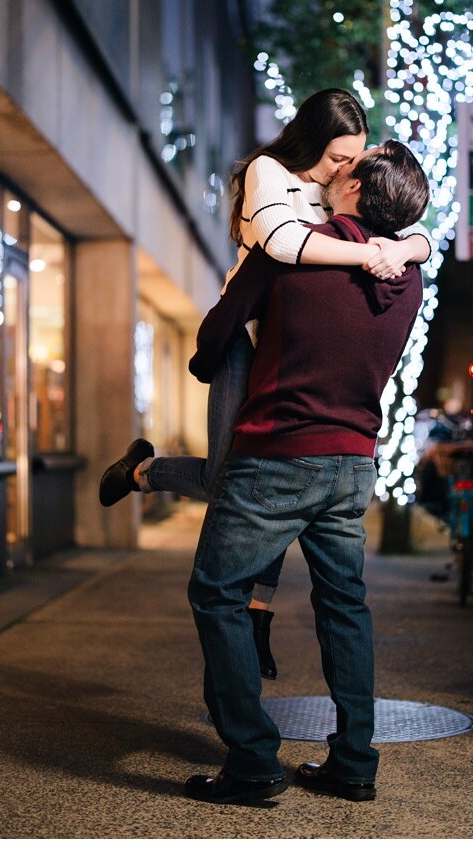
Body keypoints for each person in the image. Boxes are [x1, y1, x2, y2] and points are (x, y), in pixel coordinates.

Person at [98, 88, 430, 678]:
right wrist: (375, 256)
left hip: (286, 345)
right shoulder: (268, 172)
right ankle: (143, 473)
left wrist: (405, 245)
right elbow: (282, 245)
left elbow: (413, 225)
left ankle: (256, 613)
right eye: (338, 159)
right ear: (312, 144)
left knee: (256, 482)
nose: (346, 171)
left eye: (354, 160)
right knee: (234, 481)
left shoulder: (342, 190)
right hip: (242, 340)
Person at [181, 139, 428, 804]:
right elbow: (419, 242)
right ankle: (353, 761)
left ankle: (254, 760)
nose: (329, 176)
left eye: (343, 171)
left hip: (276, 453)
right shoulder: (408, 277)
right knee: (345, 606)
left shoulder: (289, 255)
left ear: (352, 193)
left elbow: (215, 336)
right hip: (353, 462)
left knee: (217, 593)